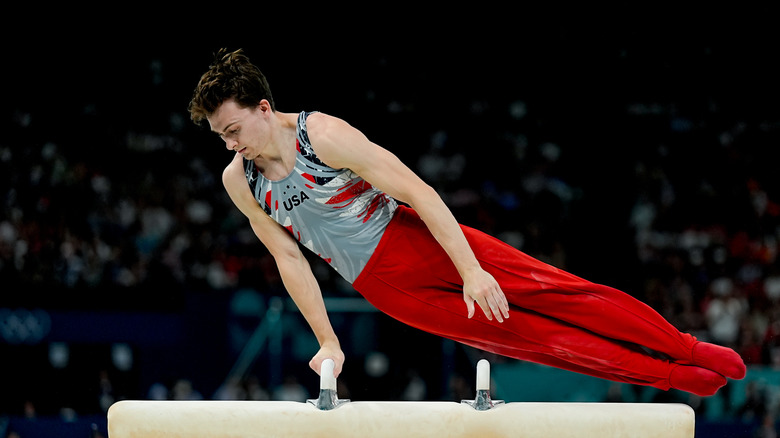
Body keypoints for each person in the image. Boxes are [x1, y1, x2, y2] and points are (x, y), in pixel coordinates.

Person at [188, 48, 746, 397]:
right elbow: (290, 258)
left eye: (234, 129)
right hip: (385, 285)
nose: (231, 144)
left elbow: (419, 192)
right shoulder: (241, 181)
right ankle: (672, 377)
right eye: (221, 137)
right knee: (538, 341)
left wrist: (472, 269)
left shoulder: (324, 136)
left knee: (564, 294)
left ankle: (687, 349)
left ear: (263, 106)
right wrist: (328, 341)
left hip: (421, 237)